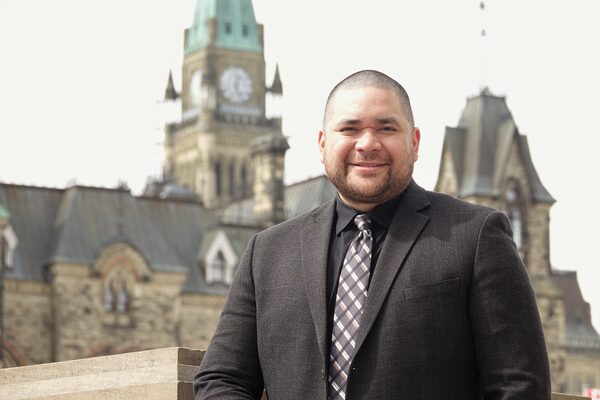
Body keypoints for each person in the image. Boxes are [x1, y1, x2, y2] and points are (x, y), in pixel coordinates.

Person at [194, 70, 551, 399]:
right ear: (322, 144)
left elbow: (517, 385)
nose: (367, 143)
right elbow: (222, 379)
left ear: (414, 142)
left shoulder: (475, 236)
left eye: (386, 128)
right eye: (349, 129)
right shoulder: (267, 252)